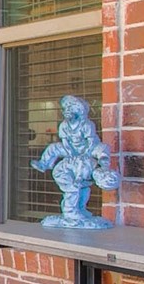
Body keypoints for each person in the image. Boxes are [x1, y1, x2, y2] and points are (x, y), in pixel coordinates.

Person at [31, 95, 120, 229]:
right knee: (53, 148)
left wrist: (85, 155)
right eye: (64, 110)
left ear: (78, 111)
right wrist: (71, 154)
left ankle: (81, 207)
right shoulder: (64, 126)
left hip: (87, 150)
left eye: (70, 109)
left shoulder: (86, 125)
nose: (66, 113)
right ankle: (44, 164)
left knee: (102, 150)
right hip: (71, 151)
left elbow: (90, 141)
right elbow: (66, 142)